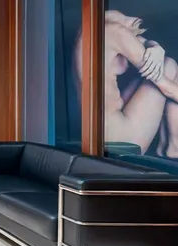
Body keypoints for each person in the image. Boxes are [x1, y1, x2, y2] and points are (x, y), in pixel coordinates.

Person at [74, 10, 178, 157]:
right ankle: (174, 147)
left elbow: (143, 43)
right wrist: (157, 51)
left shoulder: (90, 32)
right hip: (120, 140)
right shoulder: (117, 32)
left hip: (96, 137)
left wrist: (156, 47)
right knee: (169, 65)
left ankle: (165, 147)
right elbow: (166, 87)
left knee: (146, 75)